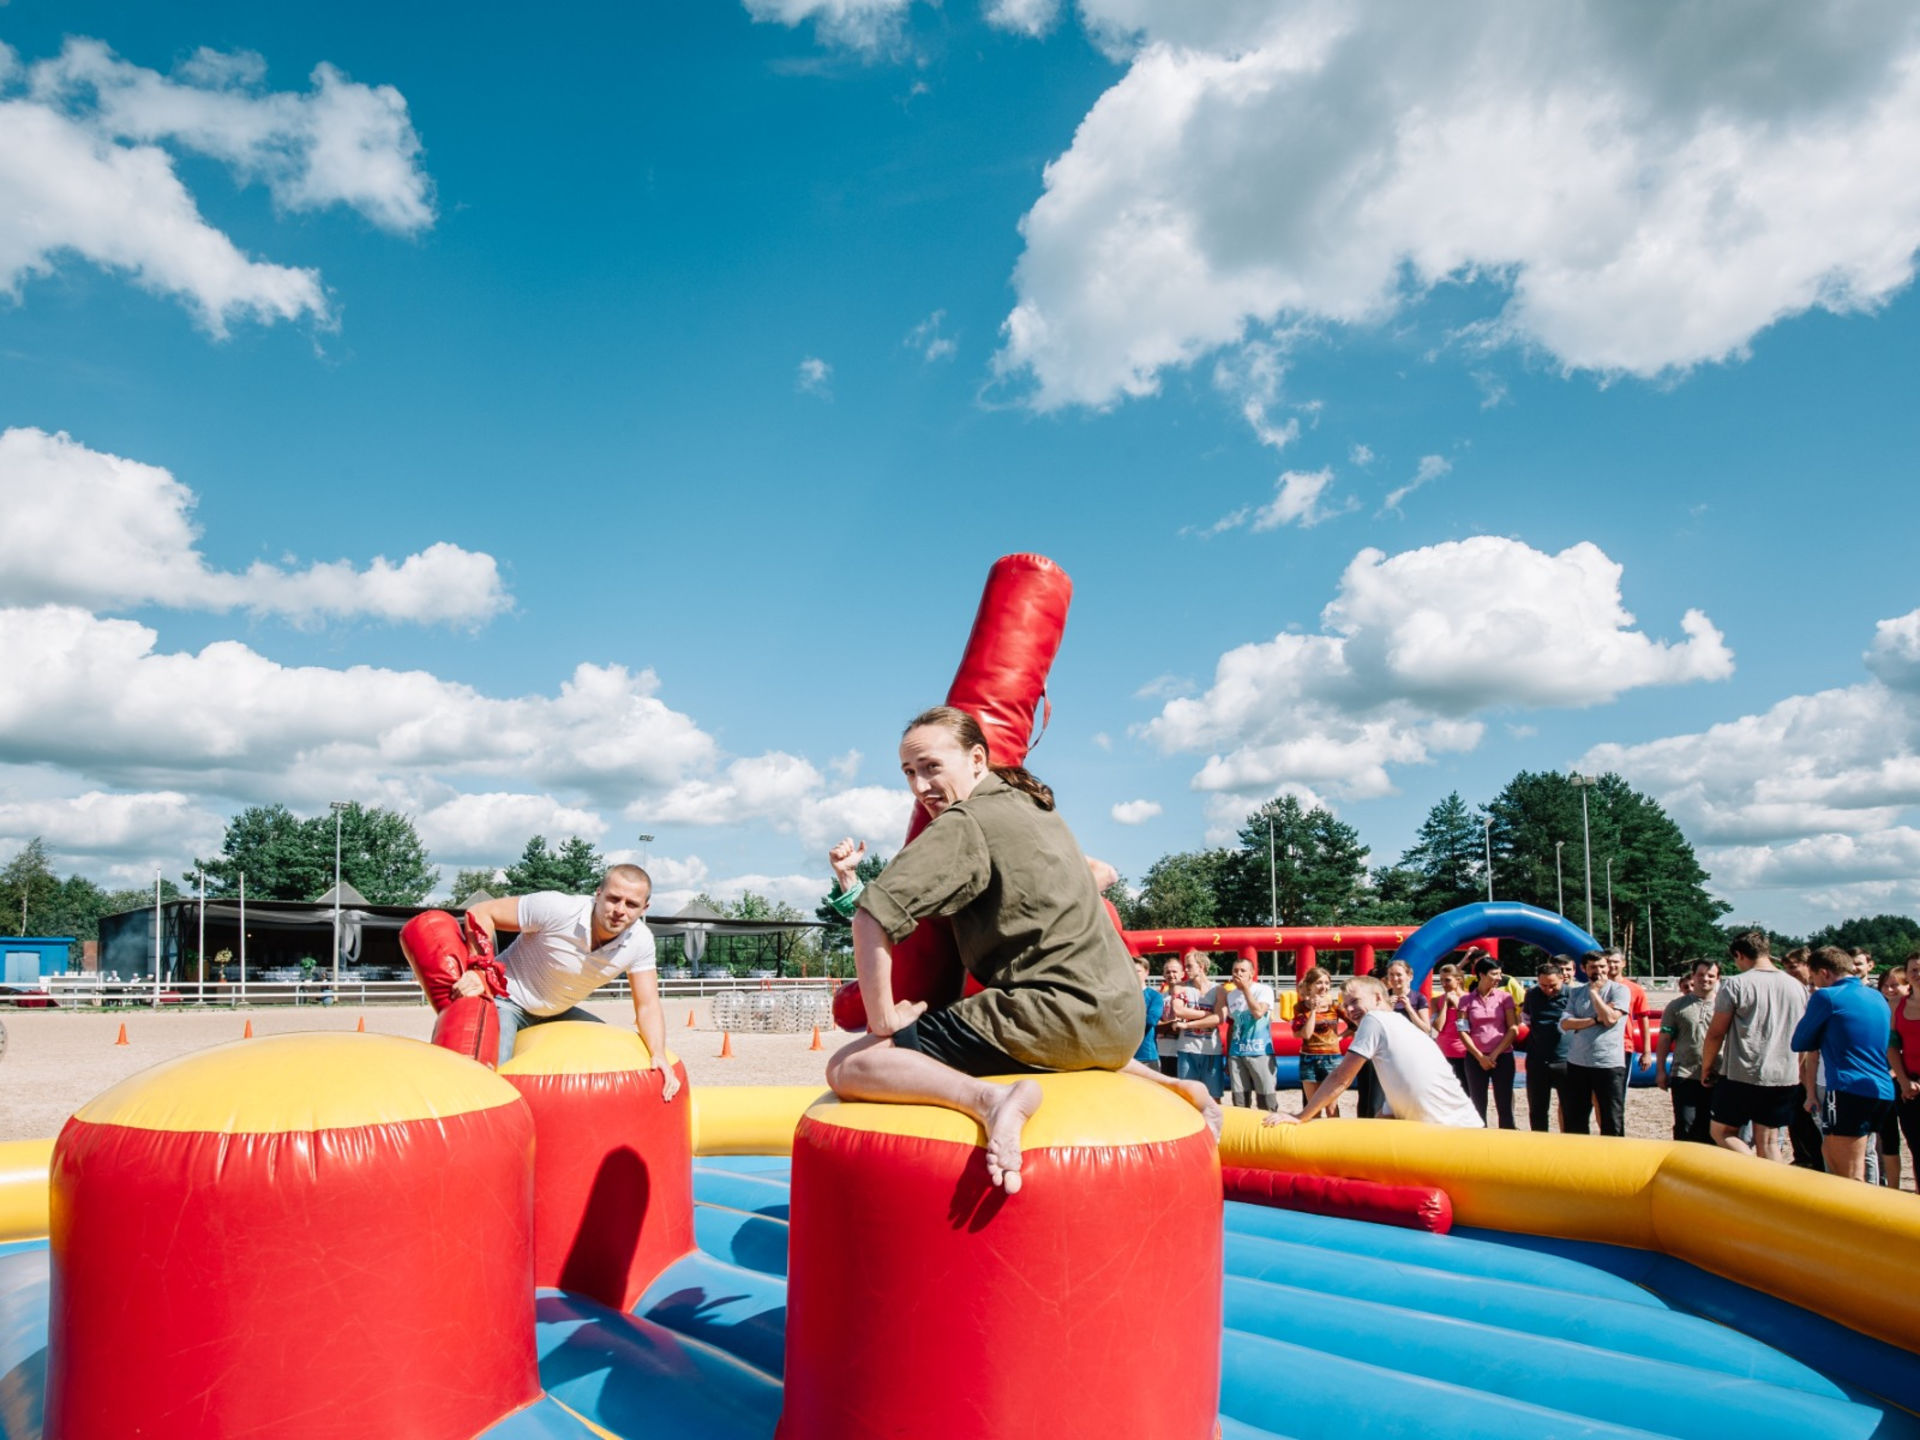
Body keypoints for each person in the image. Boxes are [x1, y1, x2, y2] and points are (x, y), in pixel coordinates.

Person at [825, 706, 1214, 1195]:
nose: (920, 786)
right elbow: (1096, 875)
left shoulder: (964, 822)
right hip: (1122, 1024)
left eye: (931, 767)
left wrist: (882, 1019)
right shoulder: (1035, 808)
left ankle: (991, 1101)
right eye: (909, 772)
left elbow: (871, 916)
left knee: (851, 1065)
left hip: (1050, 1015)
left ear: (976, 758)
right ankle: (1173, 1085)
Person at [457, 866, 677, 1096]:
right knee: (489, 1078)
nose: (620, 910)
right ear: (598, 893)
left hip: (558, 1012)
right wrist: (479, 969)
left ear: (645, 908)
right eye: (614, 899)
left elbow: (648, 1004)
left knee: (612, 1053)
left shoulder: (641, 942)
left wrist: (658, 1054)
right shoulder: (558, 908)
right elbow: (481, 912)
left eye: (631, 904)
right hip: (506, 999)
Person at [1265, 976, 1480, 1128]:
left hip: (1453, 1130)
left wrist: (1301, 1116)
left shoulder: (1375, 1019)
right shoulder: (1400, 1025)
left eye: (1355, 1001)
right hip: (1460, 1125)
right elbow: (1389, 1111)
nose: (1349, 1010)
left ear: (1378, 998)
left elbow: (1341, 1078)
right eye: (1346, 1005)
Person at [1701, 931, 1809, 1162]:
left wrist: (1707, 1066)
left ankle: (1752, 1168)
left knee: (1722, 1132)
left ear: (1739, 955)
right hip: (1784, 1074)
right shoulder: (1797, 987)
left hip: (1744, 1071)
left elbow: (1715, 1033)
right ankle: (1773, 1191)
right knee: (1769, 1143)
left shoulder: (1736, 984)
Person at [1792, 947, 1895, 1182]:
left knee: (1850, 1172)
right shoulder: (1876, 995)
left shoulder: (1826, 996)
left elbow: (1799, 1041)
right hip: (1881, 1090)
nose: (1815, 984)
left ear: (1825, 972)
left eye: (1815, 978)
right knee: (1831, 1151)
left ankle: (1857, 1217)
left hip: (1848, 1088)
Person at [1558, 950, 1631, 1136]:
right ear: (1584, 969)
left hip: (1608, 1062)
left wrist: (1595, 994)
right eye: (1593, 967)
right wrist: (1594, 1020)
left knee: (1611, 1117)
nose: (1599, 971)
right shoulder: (1575, 993)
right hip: (1578, 1062)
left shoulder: (1620, 990)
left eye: (1602, 966)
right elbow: (1566, 1024)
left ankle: (1613, 1157)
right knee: (1575, 1117)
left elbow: (1610, 1019)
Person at [1657, 959, 1721, 1144]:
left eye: (1710, 975)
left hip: (1718, 1074)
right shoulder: (1676, 1006)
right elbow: (1664, 1038)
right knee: (1685, 1125)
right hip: (1685, 1073)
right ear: (1693, 976)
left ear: (1718, 978)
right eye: (1700, 975)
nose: (1705, 979)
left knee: (1713, 1128)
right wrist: (1661, 1070)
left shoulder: (1725, 1006)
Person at [1458, 954, 1519, 1129]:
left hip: (1502, 1056)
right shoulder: (1466, 1000)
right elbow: (1462, 1029)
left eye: (1500, 974)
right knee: (1477, 1102)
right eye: (1495, 974)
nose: (1499, 978)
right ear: (1482, 975)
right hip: (1475, 1058)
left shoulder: (1504, 998)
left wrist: (1493, 1055)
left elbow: (1512, 1028)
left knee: (1504, 1103)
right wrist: (1480, 1057)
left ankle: (1506, 1139)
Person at [1221, 956, 1279, 1112]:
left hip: (1259, 1051)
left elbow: (1258, 1012)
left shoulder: (1263, 990)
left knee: (1266, 1099)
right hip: (1237, 1053)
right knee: (1240, 1100)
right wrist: (1228, 1055)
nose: (1238, 974)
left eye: (1242, 970)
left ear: (1252, 973)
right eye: (1235, 970)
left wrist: (1246, 989)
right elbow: (1232, 1026)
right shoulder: (1230, 995)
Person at [1520, 958, 1572, 1133]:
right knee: (1537, 1109)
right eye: (1543, 985)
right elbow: (1526, 1019)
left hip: (1565, 1059)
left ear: (1562, 979)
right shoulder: (1532, 995)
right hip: (1537, 1060)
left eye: (1553, 986)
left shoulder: (1572, 995)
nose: (1548, 990)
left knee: (1569, 1108)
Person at [1169, 950, 1227, 1101]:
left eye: (1189, 966)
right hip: (1187, 1049)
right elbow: (1178, 1010)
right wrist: (1208, 1015)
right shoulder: (1180, 988)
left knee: (1214, 1097)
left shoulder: (1219, 990)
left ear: (1201, 967)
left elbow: (1219, 1019)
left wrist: (1188, 1025)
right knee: (1187, 1097)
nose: (1185, 970)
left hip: (1211, 1050)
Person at [1290, 966, 1348, 1112]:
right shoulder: (1300, 1008)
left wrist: (1340, 1037)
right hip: (1309, 1058)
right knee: (1313, 1107)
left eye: (1327, 983)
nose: (1324, 987)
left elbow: (1354, 1025)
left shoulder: (1334, 1006)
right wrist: (1314, 1010)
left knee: (1331, 1107)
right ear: (1310, 986)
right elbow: (1306, 1034)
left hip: (1331, 1058)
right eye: (1319, 983)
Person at [1889, 954, 1920, 1192]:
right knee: (1915, 1145)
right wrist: (1903, 1080)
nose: (1917, 974)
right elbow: (1892, 1046)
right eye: (1914, 970)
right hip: (1908, 1083)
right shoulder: (1898, 1006)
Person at [1431, 963, 1472, 1093]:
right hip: (1444, 1051)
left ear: (1458, 980)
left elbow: (1471, 1025)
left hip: (1464, 1052)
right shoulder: (1437, 1000)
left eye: (1447, 980)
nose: (1444, 984)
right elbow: (1438, 1026)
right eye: (1441, 980)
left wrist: (1457, 1004)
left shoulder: (1470, 998)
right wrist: (1445, 1005)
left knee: (1466, 1091)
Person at [1155, 956, 1190, 1077]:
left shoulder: (1189, 994)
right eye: (1168, 972)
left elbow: (1181, 1025)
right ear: (1163, 975)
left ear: (1182, 973)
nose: (1171, 975)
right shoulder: (1159, 997)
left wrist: (1167, 1026)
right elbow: (1156, 1024)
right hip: (1162, 1050)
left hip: (1184, 1051)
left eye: (1174, 971)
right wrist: (1171, 1025)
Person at [1133, 958, 1166, 1069]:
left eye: (1138, 971)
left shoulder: (1154, 996)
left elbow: (1151, 1020)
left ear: (1147, 972)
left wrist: (1125, 1019)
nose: (1134, 974)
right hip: (1124, 1056)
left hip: (1146, 1056)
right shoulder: (1121, 995)